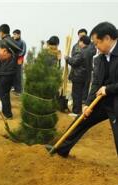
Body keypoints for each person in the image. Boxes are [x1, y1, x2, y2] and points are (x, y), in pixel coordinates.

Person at [46, 22, 118, 157]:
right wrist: (87, 104)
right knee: (82, 119)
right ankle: (61, 148)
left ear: (107, 38)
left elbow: (105, 87)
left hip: (115, 100)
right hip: (103, 99)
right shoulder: (99, 58)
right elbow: (96, 83)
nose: (95, 47)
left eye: (97, 43)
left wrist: (108, 89)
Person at [65, 35, 92, 117]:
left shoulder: (82, 52)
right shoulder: (89, 51)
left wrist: (67, 58)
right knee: (80, 94)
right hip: (85, 76)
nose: (78, 43)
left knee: (76, 94)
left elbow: (74, 62)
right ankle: (78, 111)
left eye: (79, 41)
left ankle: (76, 111)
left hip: (78, 76)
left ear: (82, 42)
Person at [12, 29, 27, 94]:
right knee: (13, 74)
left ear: (19, 34)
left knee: (18, 75)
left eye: (15, 34)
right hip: (12, 60)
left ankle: (19, 90)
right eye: (13, 34)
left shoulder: (22, 42)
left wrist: (17, 55)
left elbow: (23, 52)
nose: (14, 36)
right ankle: (15, 88)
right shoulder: (12, 41)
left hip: (19, 60)